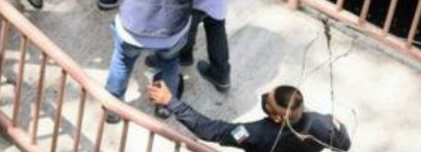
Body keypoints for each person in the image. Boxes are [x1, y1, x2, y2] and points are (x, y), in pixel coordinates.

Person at [147, 81, 351, 151]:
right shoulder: (324, 125)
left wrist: (171, 102)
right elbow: (344, 145)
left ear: (278, 118)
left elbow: (212, 131)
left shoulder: (255, 133)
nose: (265, 98)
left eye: (268, 103)